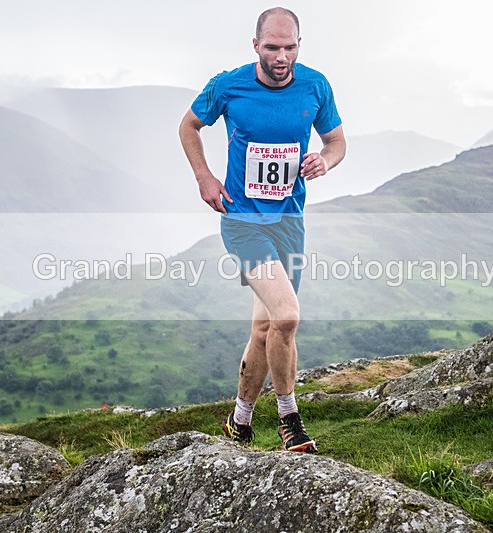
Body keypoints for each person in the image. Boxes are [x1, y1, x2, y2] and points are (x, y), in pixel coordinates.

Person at [179, 7, 346, 453]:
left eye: (289, 47)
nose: (281, 56)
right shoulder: (229, 85)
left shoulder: (315, 85)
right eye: (272, 47)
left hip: (289, 222)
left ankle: (239, 421)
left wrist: (324, 161)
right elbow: (189, 125)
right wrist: (204, 177)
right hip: (242, 221)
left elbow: (336, 142)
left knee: (265, 327)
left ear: (299, 45)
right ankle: (290, 418)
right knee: (287, 316)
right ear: (256, 45)